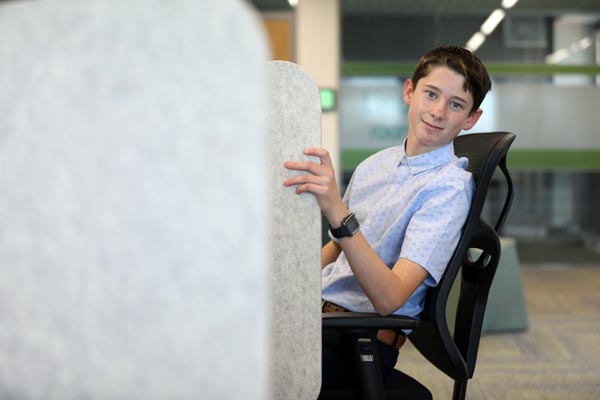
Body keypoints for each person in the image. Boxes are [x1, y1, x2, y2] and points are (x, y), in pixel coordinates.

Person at [283, 45, 492, 390]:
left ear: (471, 118)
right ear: (410, 92)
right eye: (431, 94)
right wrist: (286, 287)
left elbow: (389, 299)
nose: (438, 111)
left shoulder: (449, 189)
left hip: (354, 343)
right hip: (315, 321)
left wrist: (337, 210)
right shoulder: (373, 166)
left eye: (455, 104)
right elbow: (334, 252)